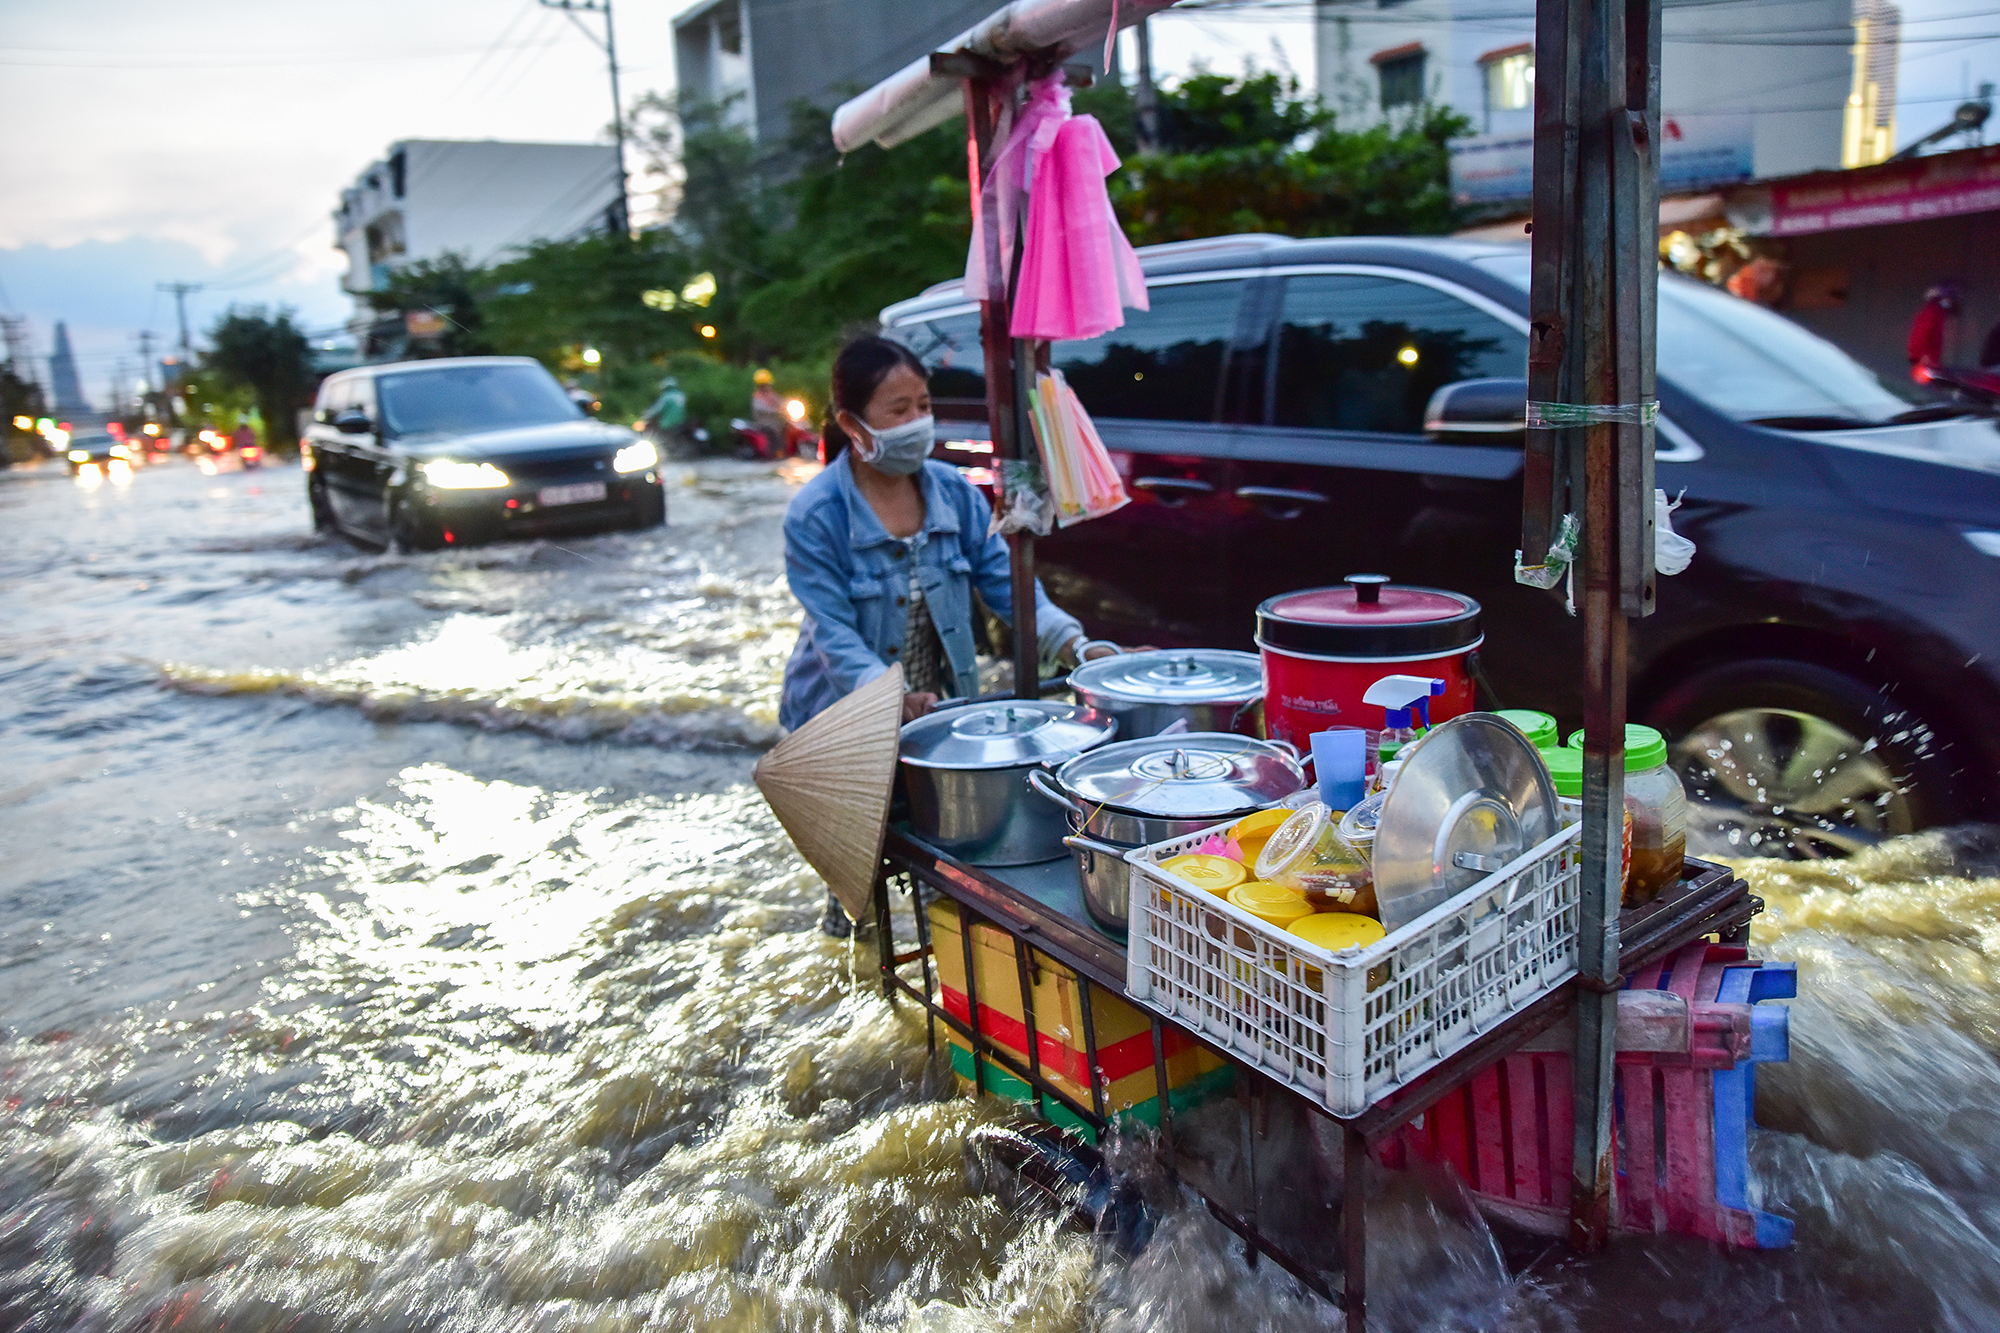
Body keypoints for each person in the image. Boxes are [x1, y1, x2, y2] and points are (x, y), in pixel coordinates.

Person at [780, 336, 1125, 932]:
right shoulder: (815, 514)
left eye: (923, 404)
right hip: (842, 718)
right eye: (898, 410)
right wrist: (886, 696)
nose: (918, 422)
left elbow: (1011, 592)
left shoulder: (955, 495)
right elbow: (832, 632)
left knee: (945, 865)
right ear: (851, 423)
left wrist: (1076, 645)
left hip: (937, 715)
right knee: (855, 890)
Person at [751, 368, 789, 458]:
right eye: (764, 384)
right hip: (764, 423)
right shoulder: (757, 396)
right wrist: (775, 411)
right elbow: (760, 408)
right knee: (775, 431)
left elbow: (780, 401)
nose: (766, 386)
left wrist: (787, 405)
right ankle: (776, 453)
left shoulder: (771, 393)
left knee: (790, 426)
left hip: (775, 420)